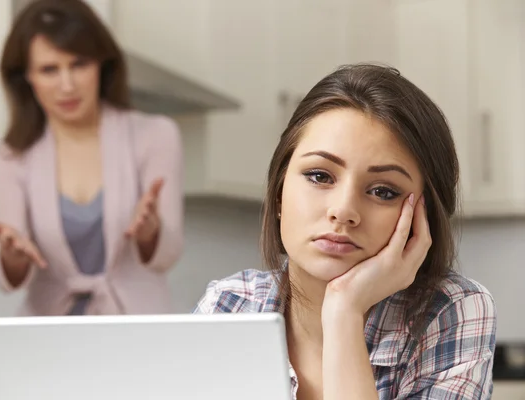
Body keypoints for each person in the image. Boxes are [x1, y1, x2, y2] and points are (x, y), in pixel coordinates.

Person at [194, 64, 496, 399]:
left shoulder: (451, 311)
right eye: (320, 176)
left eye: (383, 191)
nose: (344, 211)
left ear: (423, 217)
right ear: (279, 193)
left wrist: (344, 313)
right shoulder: (229, 306)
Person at [0, 0, 184, 316]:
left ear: (101, 64)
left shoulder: (156, 135)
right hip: (47, 341)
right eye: (49, 70)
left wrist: (150, 233)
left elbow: (168, 255)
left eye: (79, 64)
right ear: (26, 78)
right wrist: (12, 256)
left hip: (141, 336)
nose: (67, 85)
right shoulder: (8, 159)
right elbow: (6, 278)